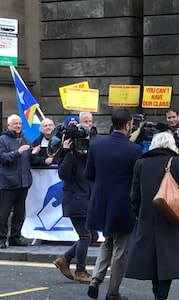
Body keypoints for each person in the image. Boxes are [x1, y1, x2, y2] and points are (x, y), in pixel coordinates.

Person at [125, 132, 179, 300]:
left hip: (148, 218)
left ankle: (157, 294)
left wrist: (139, 214)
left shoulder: (140, 163)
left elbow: (134, 196)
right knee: (167, 262)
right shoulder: (177, 162)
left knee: (152, 261)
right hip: (171, 217)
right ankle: (161, 297)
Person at [85, 108, 142, 300]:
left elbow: (89, 175)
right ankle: (113, 292)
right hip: (122, 204)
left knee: (107, 241)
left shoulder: (97, 145)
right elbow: (137, 180)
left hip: (101, 203)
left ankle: (95, 279)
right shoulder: (134, 150)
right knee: (120, 249)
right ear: (128, 125)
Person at [53, 123, 95, 283]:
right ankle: (80, 271)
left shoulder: (87, 155)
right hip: (75, 200)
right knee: (85, 236)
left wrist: (85, 152)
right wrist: (68, 152)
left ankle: (65, 259)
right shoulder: (67, 156)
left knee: (92, 236)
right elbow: (63, 174)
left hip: (87, 199)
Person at [0, 114, 33, 248]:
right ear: (9, 125)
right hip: (8, 183)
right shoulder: (2, 140)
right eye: (15, 124)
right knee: (4, 213)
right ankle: (1, 238)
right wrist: (17, 152)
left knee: (20, 213)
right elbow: (2, 158)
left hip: (23, 182)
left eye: (20, 124)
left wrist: (35, 153)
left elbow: (30, 159)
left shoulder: (25, 139)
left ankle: (15, 237)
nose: (18, 126)